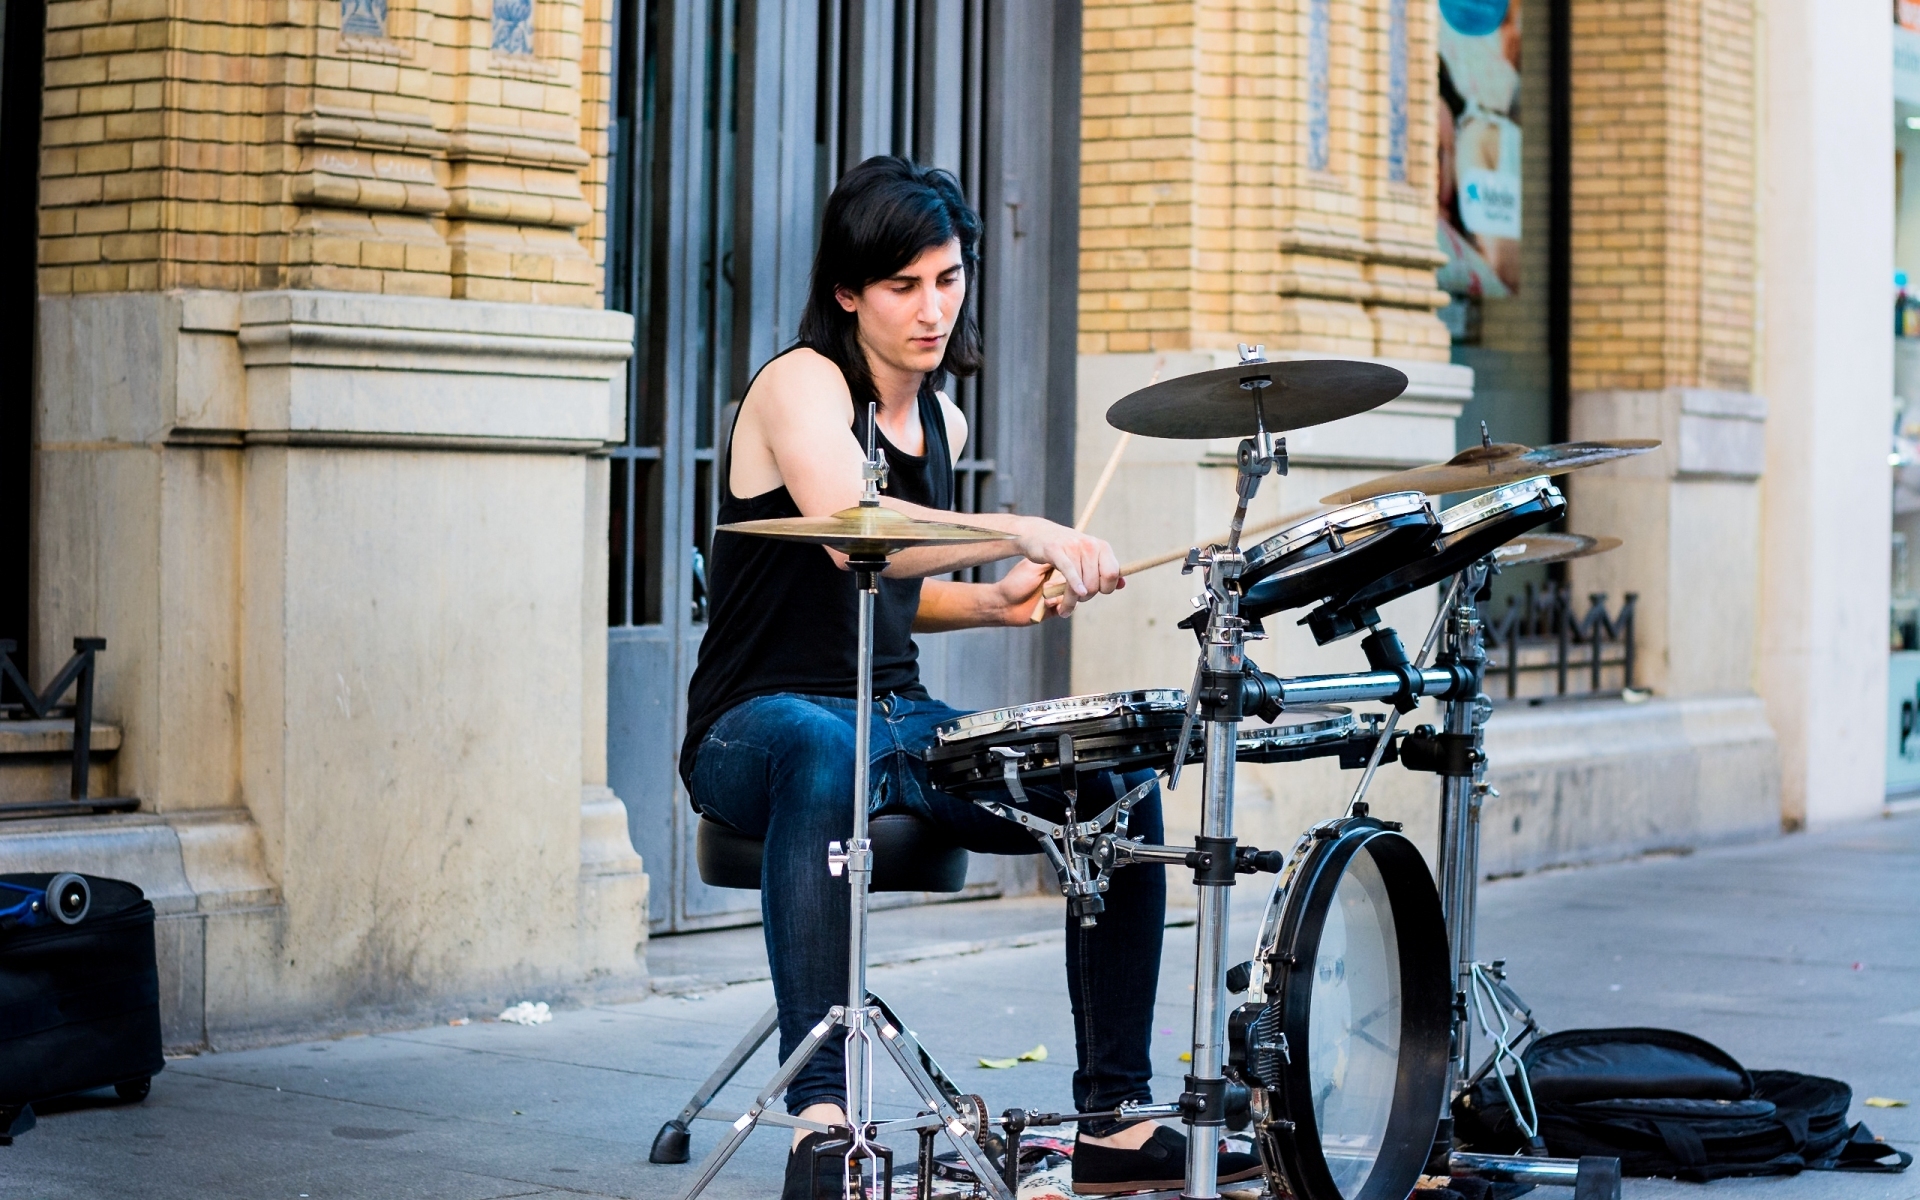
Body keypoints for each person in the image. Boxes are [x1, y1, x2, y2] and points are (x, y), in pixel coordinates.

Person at [680, 156, 1260, 1197]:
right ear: (850, 290)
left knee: (1115, 782)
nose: (931, 308)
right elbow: (854, 539)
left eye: (947, 279)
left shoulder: (939, 423)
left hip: (898, 719)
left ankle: (1110, 1122)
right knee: (824, 744)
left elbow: (897, 593)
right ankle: (823, 1119)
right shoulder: (803, 382)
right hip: (756, 725)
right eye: (904, 285)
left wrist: (998, 598)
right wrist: (1017, 526)